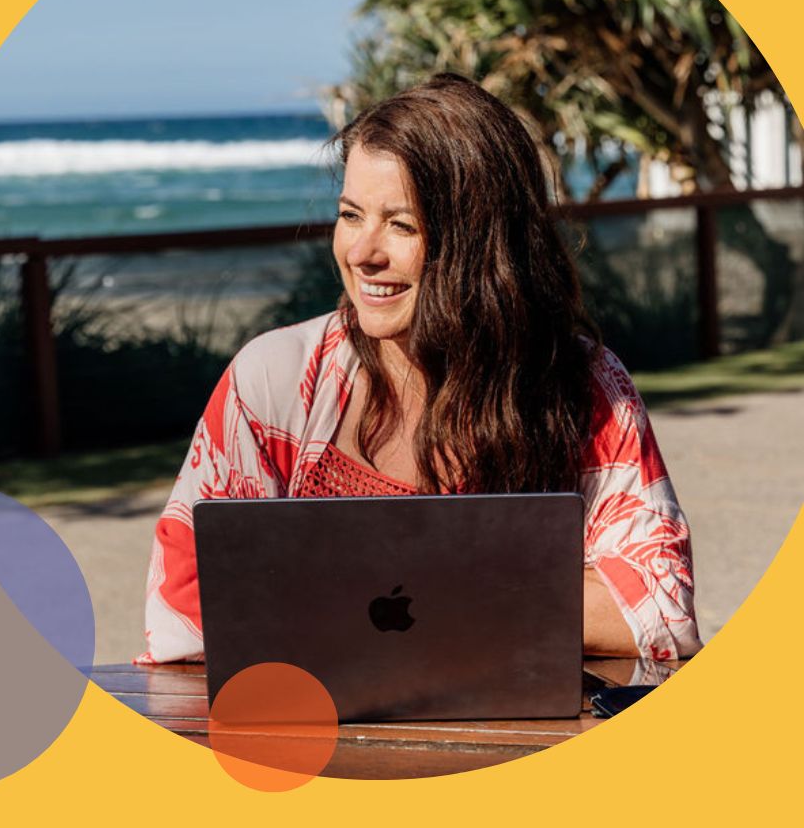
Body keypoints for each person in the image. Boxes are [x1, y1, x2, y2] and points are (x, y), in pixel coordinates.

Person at [137, 73, 701, 666]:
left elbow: (659, 607)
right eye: (351, 215)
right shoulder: (274, 381)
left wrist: (363, 601)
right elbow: (184, 608)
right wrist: (507, 599)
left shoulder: (580, 385)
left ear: (483, 242)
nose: (362, 253)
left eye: (401, 224)